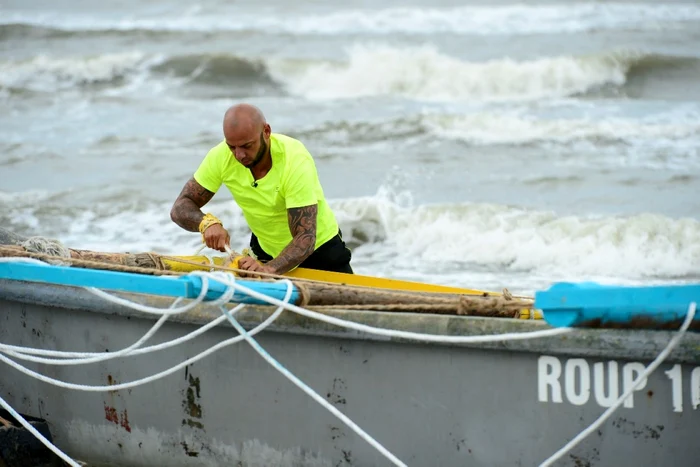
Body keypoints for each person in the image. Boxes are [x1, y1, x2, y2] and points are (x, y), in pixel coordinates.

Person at [170, 103, 353, 276]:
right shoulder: (221, 156)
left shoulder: (295, 159)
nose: (239, 155)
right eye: (232, 147)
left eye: (246, 146)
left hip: (320, 254)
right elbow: (181, 207)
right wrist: (205, 223)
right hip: (264, 253)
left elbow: (305, 238)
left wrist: (269, 270)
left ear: (266, 131)